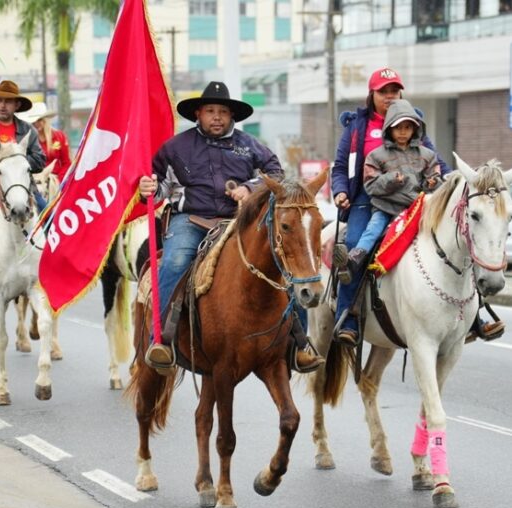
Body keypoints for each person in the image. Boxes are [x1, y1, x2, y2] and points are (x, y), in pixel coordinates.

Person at [139, 81, 324, 373]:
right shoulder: (175, 148)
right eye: (210, 111)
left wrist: (250, 188)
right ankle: (160, 340)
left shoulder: (251, 146)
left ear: (232, 116)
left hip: (237, 223)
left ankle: (299, 344)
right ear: (198, 114)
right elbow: (158, 187)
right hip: (191, 220)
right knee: (174, 262)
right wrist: (147, 187)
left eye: (222, 112)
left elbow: (276, 175)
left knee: (285, 265)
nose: (216, 116)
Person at [332, 67, 503, 346]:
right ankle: (347, 318)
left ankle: (475, 316)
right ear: (371, 94)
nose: (389, 96)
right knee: (354, 246)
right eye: (383, 91)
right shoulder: (357, 126)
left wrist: (451, 182)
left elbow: (434, 161)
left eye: (394, 91)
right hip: (370, 199)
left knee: (458, 237)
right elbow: (341, 167)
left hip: (414, 199)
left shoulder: (412, 121)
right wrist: (340, 191)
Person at [335, 98, 442, 284]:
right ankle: (355, 258)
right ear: (388, 129)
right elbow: (370, 185)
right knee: (373, 228)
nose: (403, 132)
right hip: (385, 207)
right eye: (398, 127)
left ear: (416, 129)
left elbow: (434, 177)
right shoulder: (376, 156)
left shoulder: (427, 155)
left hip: (416, 209)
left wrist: (433, 182)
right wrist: (391, 180)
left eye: (408, 127)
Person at [0, 80, 46, 218]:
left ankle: (51, 239)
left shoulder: (28, 130)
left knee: (47, 213)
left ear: (17, 105)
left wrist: (17, 160)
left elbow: (39, 160)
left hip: (20, 186)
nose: (3, 105)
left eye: (8, 101)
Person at [19, 101, 72, 181]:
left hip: (57, 181)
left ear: (45, 120)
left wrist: (58, 179)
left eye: (39, 120)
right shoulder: (27, 140)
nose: (36, 123)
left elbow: (67, 162)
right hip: (36, 181)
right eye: (33, 121)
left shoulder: (59, 136)